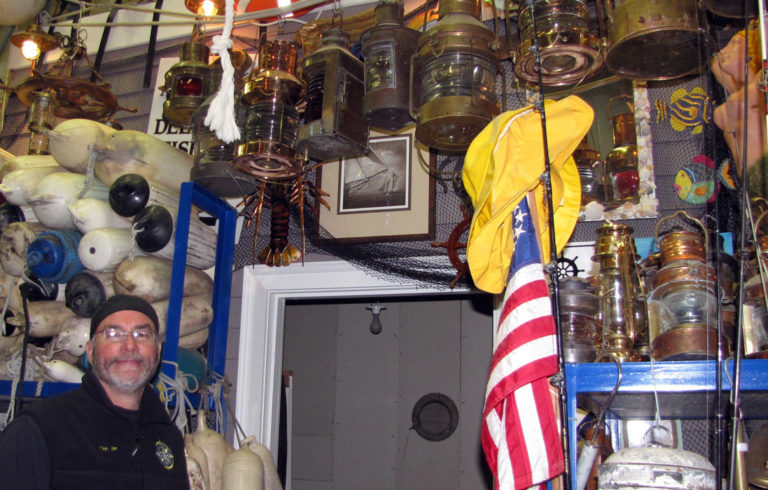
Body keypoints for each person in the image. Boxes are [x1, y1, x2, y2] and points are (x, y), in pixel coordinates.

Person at [0, 294, 190, 490]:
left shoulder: (168, 436)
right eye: (114, 334)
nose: (130, 346)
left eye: (142, 335)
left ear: (157, 352)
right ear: (90, 352)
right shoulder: (38, 429)